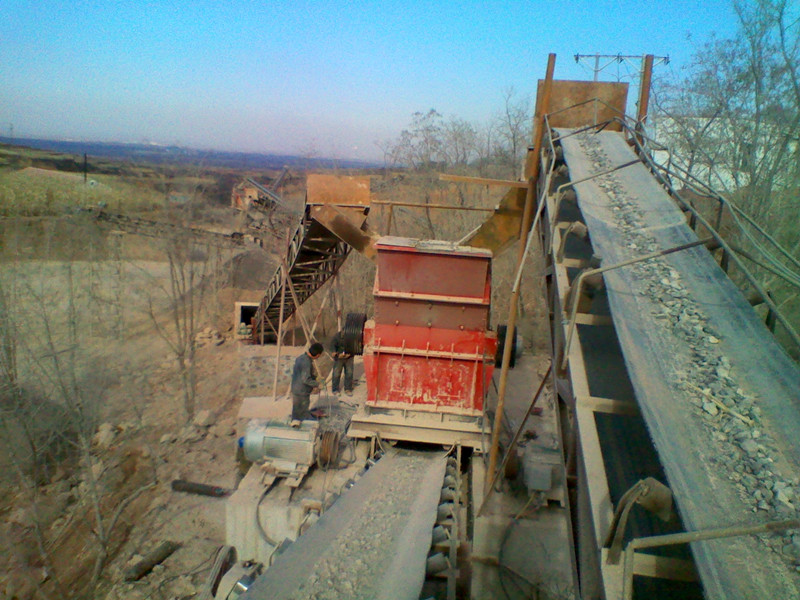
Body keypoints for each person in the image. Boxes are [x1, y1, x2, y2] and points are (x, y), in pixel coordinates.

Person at [291, 342, 324, 422]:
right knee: (303, 411)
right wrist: (317, 384)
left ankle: (295, 422)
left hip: (296, 388)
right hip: (302, 391)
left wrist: (315, 377)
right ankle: (304, 425)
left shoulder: (301, 358)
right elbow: (305, 379)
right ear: (318, 355)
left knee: (296, 410)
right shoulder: (307, 362)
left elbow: (303, 374)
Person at [330, 329, 354, 395]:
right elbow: (332, 346)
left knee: (349, 373)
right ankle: (335, 389)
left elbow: (355, 346)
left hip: (349, 357)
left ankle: (348, 389)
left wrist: (350, 353)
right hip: (339, 358)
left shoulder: (352, 337)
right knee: (336, 373)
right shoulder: (336, 337)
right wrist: (336, 354)